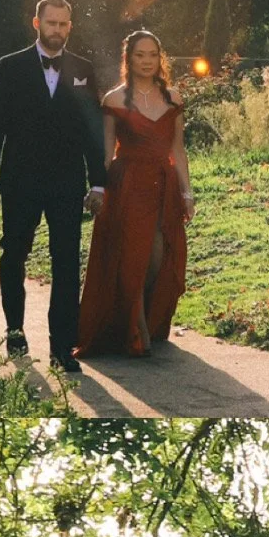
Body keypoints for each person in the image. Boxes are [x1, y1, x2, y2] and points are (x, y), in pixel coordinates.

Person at [0, 0, 106, 375]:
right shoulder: (11, 66)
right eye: (52, 23)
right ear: (37, 24)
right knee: (14, 255)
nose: (58, 31)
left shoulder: (83, 69)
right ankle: (15, 330)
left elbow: (92, 130)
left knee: (66, 263)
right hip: (20, 181)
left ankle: (62, 347)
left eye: (64, 24)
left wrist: (98, 183)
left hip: (67, 183)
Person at [76, 28, 194, 358]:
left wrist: (187, 193)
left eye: (152, 55)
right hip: (126, 184)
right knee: (131, 255)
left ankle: (140, 317)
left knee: (158, 257)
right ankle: (136, 327)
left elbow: (178, 150)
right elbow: (107, 151)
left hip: (164, 184)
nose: (146, 61)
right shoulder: (114, 99)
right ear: (129, 58)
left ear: (160, 59)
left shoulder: (173, 97)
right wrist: (97, 187)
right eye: (139, 55)